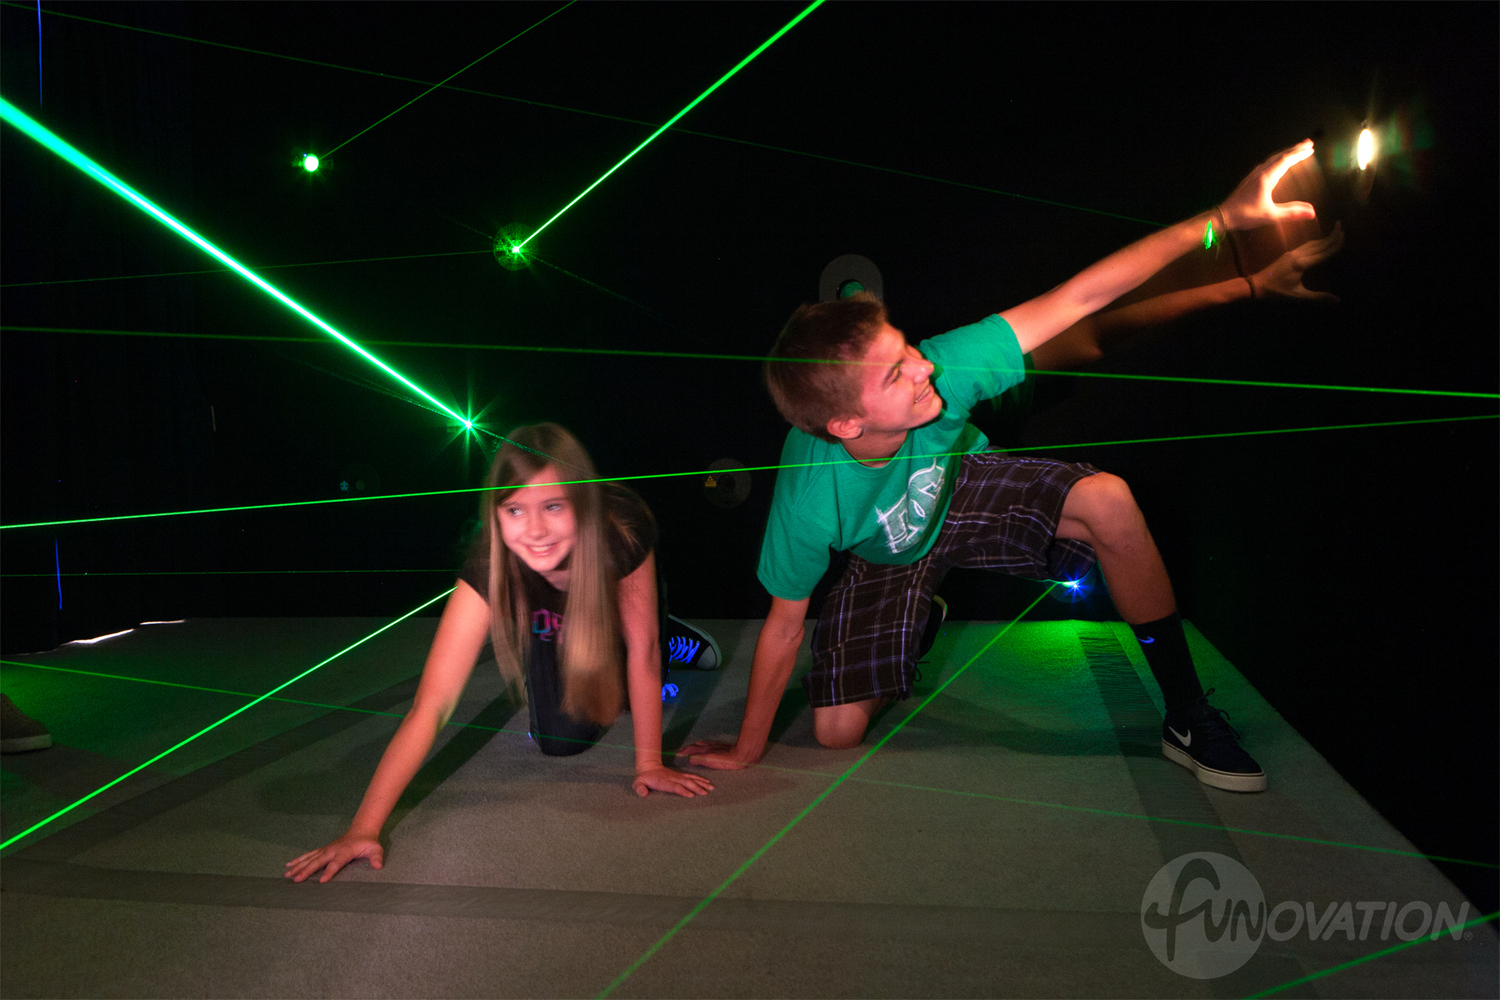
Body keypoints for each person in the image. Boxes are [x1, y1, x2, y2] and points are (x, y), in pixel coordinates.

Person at [681, 141, 1328, 793]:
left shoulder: (945, 369)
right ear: (847, 424)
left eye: (909, 350)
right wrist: (746, 748)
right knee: (835, 734)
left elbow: (1080, 297)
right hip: (885, 554)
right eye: (897, 372)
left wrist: (1220, 218)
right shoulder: (809, 498)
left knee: (1108, 499)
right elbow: (784, 626)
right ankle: (919, 622)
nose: (924, 367)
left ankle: (1187, 715)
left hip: (960, 486)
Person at [287, 423, 718, 883]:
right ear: (496, 516)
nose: (535, 529)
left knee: (631, 672)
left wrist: (649, 764)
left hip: (611, 602)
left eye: (553, 506)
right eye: (514, 509)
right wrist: (363, 828)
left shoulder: (621, 529)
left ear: (582, 504)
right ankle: (552, 638)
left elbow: (644, 652)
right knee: (560, 743)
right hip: (549, 618)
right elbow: (432, 705)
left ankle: (673, 633)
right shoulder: (489, 563)